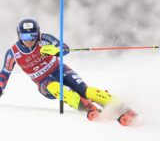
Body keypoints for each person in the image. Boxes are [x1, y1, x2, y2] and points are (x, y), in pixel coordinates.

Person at [0, 17, 136, 126]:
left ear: (38, 33)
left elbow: (65, 48)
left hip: (59, 70)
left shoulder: (44, 38)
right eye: (25, 37)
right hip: (44, 82)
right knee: (56, 87)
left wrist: (56, 50)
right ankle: (88, 107)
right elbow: (5, 73)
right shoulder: (13, 53)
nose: (29, 40)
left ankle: (124, 108)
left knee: (86, 91)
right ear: (19, 35)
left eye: (32, 36)